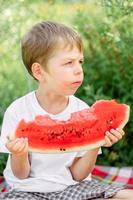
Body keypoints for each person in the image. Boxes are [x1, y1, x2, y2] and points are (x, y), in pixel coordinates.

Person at [0, 21, 132, 200]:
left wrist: (96, 143)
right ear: (39, 72)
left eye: (80, 61)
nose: (79, 70)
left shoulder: (82, 110)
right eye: (69, 63)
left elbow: (78, 175)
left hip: (72, 187)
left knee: (122, 195)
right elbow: (21, 175)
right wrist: (19, 153)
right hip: (27, 190)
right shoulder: (18, 111)